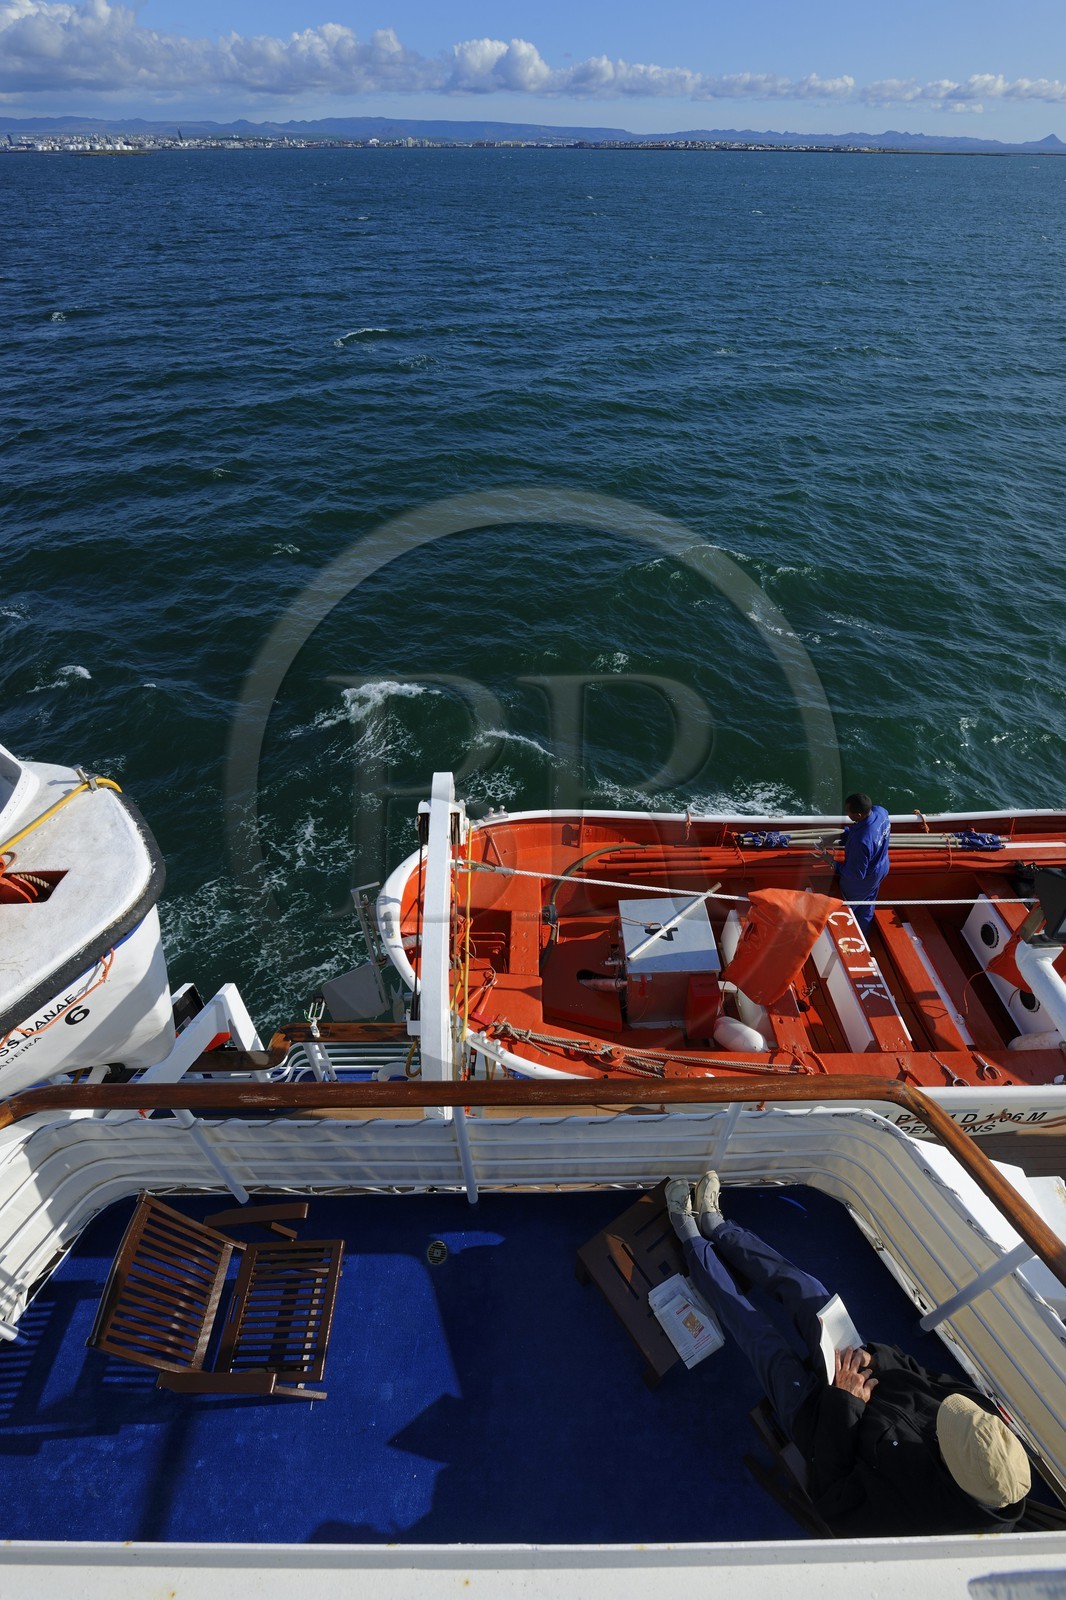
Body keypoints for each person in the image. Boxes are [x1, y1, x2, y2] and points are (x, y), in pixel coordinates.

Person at [664, 1172, 1031, 1538]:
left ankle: (692, 1240)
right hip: (860, 1369)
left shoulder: (918, 1520)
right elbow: (919, 1371)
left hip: (820, 1420)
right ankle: (721, 1227)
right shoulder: (979, 1421)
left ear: (954, 1473)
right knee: (809, 1290)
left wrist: (844, 1401)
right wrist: (876, 1358)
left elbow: (830, 1495)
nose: (949, 1416)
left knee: (759, 1337)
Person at [830, 791, 891, 932]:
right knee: (867, 902)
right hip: (881, 867)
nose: (847, 814)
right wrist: (849, 833)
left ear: (858, 815)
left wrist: (832, 862)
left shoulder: (861, 841)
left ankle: (846, 935)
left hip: (863, 880)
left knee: (847, 906)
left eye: (848, 812)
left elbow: (855, 874)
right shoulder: (881, 812)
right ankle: (864, 931)